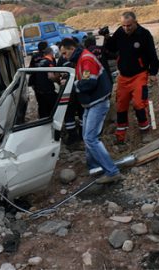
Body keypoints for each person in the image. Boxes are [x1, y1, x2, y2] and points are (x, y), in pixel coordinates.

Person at [60, 38, 122, 184]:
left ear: (72, 48)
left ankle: (112, 172)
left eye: (64, 53)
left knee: (90, 138)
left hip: (98, 103)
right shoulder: (81, 58)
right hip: (92, 103)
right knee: (87, 137)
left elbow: (89, 82)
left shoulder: (86, 59)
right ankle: (95, 167)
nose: (63, 56)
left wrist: (72, 84)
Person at [104, 11, 159, 144]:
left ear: (135, 22)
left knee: (138, 103)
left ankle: (145, 131)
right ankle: (120, 136)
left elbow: (153, 55)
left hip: (139, 75)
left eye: (128, 25)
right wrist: (106, 36)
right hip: (123, 77)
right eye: (123, 25)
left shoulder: (144, 34)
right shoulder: (120, 32)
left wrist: (153, 73)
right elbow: (111, 47)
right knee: (121, 105)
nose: (126, 28)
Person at [57, 49, 84, 147]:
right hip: (78, 89)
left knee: (69, 115)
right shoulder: (78, 58)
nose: (64, 55)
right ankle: (82, 134)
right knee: (82, 113)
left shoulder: (61, 59)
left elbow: (59, 74)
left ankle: (73, 136)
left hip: (68, 91)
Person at [29, 47, 57, 118]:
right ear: (51, 53)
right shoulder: (49, 62)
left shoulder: (40, 62)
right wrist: (57, 80)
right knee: (52, 109)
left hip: (39, 90)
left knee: (42, 107)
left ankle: (42, 123)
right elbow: (51, 76)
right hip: (48, 90)